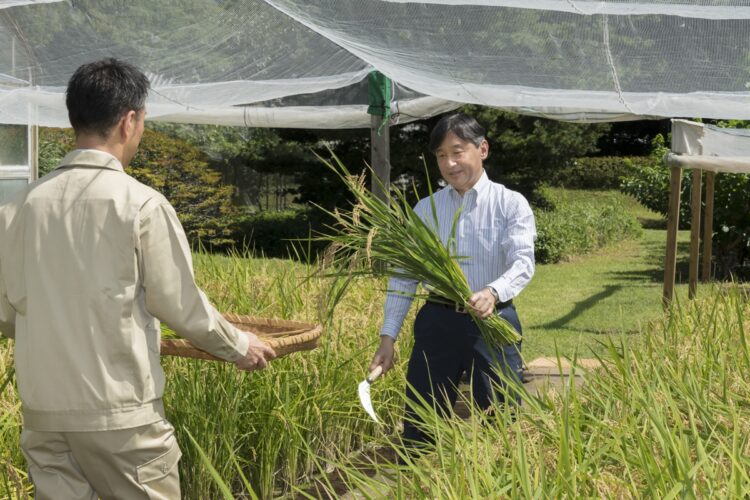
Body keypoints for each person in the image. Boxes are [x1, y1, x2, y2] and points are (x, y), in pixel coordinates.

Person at [0, 58, 276, 499]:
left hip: (45, 419)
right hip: (121, 423)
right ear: (129, 121)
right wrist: (239, 346)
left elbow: (7, 317)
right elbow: (179, 304)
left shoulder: (15, 210)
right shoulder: (141, 205)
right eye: (143, 120)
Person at [369, 112, 536, 451]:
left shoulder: (510, 204)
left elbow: (523, 262)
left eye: (457, 151)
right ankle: (416, 481)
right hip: (438, 323)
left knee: (501, 422)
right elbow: (404, 277)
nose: (450, 163)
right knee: (420, 422)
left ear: (482, 149)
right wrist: (388, 338)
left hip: (493, 322)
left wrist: (493, 292)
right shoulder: (426, 210)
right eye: (441, 155)